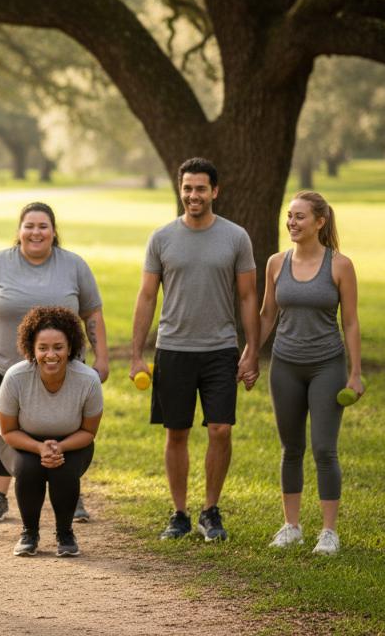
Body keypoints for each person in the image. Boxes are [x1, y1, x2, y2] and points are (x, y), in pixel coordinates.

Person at [129, 157, 260, 543]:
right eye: (187, 188)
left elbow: (249, 296)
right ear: (180, 190)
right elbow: (147, 296)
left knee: (220, 429)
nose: (193, 195)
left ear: (215, 191)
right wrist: (137, 353)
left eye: (201, 188)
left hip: (220, 348)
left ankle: (211, 510)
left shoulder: (236, 237)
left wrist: (252, 349)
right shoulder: (162, 238)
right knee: (177, 433)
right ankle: (180, 513)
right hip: (173, 349)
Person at [0, 201, 109, 524]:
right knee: (4, 428)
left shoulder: (74, 266)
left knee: (66, 425)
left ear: (54, 232)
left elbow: (92, 312)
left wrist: (102, 357)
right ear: (19, 231)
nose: (36, 232)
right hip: (3, 363)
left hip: (64, 368)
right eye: (29, 226)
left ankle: (73, 495)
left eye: (43, 226)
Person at [257, 191, 363, 555]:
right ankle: (292, 526)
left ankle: (329, 532)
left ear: (320, 222)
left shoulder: (340, 265)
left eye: (300, 217)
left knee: (323, 449)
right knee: (291, 448)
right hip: (285, 365)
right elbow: (267, 315)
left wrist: (356, 373)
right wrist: (249, 354)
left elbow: (350, 322)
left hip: (326, 366)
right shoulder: (275, 263)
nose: (292, 223)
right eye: (289, 216)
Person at [0, 307, 103, 558]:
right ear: (32, 349)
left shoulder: (88, 380)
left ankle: (65, 533)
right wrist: (39, 448)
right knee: (29, 468)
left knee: (63, 468)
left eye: (58, 347)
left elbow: (89, 431)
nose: (51, 354)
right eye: (43, 348)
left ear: (70, 347)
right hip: (19, 440)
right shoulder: (16, 377)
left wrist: (60, 448)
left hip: (73, 441)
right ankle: (29, 533)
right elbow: (8, 430)